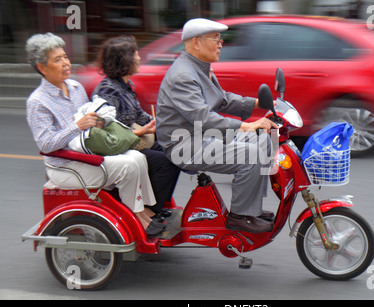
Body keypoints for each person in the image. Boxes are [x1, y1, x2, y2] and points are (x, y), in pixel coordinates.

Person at [25, 32, 164, 237]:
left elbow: (92, 122)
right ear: (42, 68)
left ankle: (142, 211)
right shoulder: (37, 102)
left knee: (138, 158)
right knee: (127, 166)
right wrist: (77, 126)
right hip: (66, 165)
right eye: (57, 59)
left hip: (88, 152)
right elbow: (46, 145)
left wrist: (100, 120)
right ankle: (136, 218)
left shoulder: (75, 87)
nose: (65, 63)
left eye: (65, 57)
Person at [156, 18, 277, 233]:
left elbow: (222, 100)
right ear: (196, 43)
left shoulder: (199, 68)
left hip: (202, 135)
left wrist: (259, 104)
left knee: (263, 140)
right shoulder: (184, 75)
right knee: (251, 155)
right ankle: (240, 216)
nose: (220, 44)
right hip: (184, 144)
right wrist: (246, 126)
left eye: (220, 39)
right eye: (216, 39)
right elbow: (202, 117)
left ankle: (251, 208)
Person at [92, 36, 181, 220]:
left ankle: (158, 204)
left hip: (135, 141)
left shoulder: (125, 86)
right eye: (136, 55)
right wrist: (143, 131)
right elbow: (113, 131)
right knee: (166, 161)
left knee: (176, 152)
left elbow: (140, 115)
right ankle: (151, 210)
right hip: (121, 148)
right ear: (124, 60)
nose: (140, 58)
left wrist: (164, 123)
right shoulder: (108, 91)